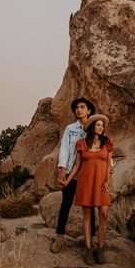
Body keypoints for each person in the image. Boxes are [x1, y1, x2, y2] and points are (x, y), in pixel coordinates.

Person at [64, 113, 113, 266]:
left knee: (104, 213)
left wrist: (108, 183)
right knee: (87, 215)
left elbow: (109, 165)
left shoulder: (107, 143)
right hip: (86, 182)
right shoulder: (82, 144)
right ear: (92, 127)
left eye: (102, 125)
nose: (101, 127)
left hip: (102, 183)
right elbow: (77, 166)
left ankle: (101, 247)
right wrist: (67, 181)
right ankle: (88, 249)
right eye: (98, 125)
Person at [50, 96, 96, 254]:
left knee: (89, 206)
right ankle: (60, 236)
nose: (79, 110)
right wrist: (62, 169)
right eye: (77, 107)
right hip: (71, 171)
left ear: (89, 111)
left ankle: (92, 239)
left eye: (82, 107)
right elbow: (64, 149)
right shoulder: (70, 129)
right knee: (66, 203)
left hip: (89, 173)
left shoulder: (95, 128)